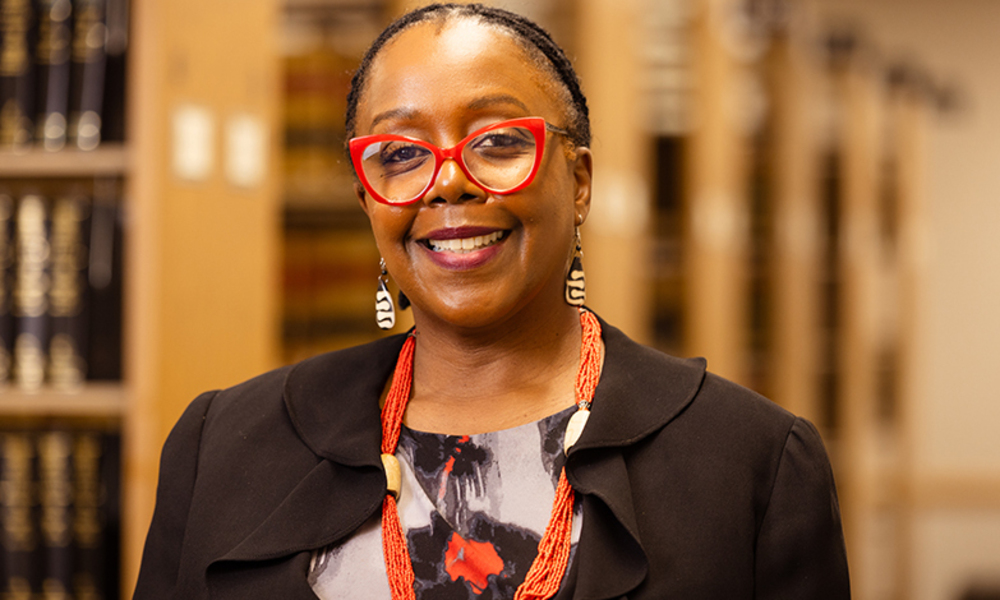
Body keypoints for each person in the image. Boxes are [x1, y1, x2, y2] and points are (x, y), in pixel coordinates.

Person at [133, 4, 850, 599]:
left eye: (498, 141)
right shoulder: (222, 444)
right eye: (402, 154)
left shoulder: (754, 463)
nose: (447, 183)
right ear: (368, 202)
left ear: (580, 182)